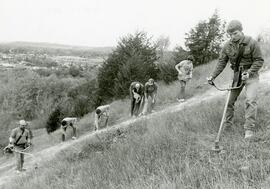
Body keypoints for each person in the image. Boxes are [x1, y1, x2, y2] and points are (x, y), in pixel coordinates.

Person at [207, 20, 264, 139]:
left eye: (235, 33)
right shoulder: (227, 46)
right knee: (229, 101)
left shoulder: (252, 42)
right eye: (230, 34)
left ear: (241, 31)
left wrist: (249, 72)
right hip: (237, 75)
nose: (232, 37)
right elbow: (222, 62)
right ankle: (227, 125)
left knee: (250, 100)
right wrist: (213, 76)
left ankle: (249, 129)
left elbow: (259, 60)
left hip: (251, 76)